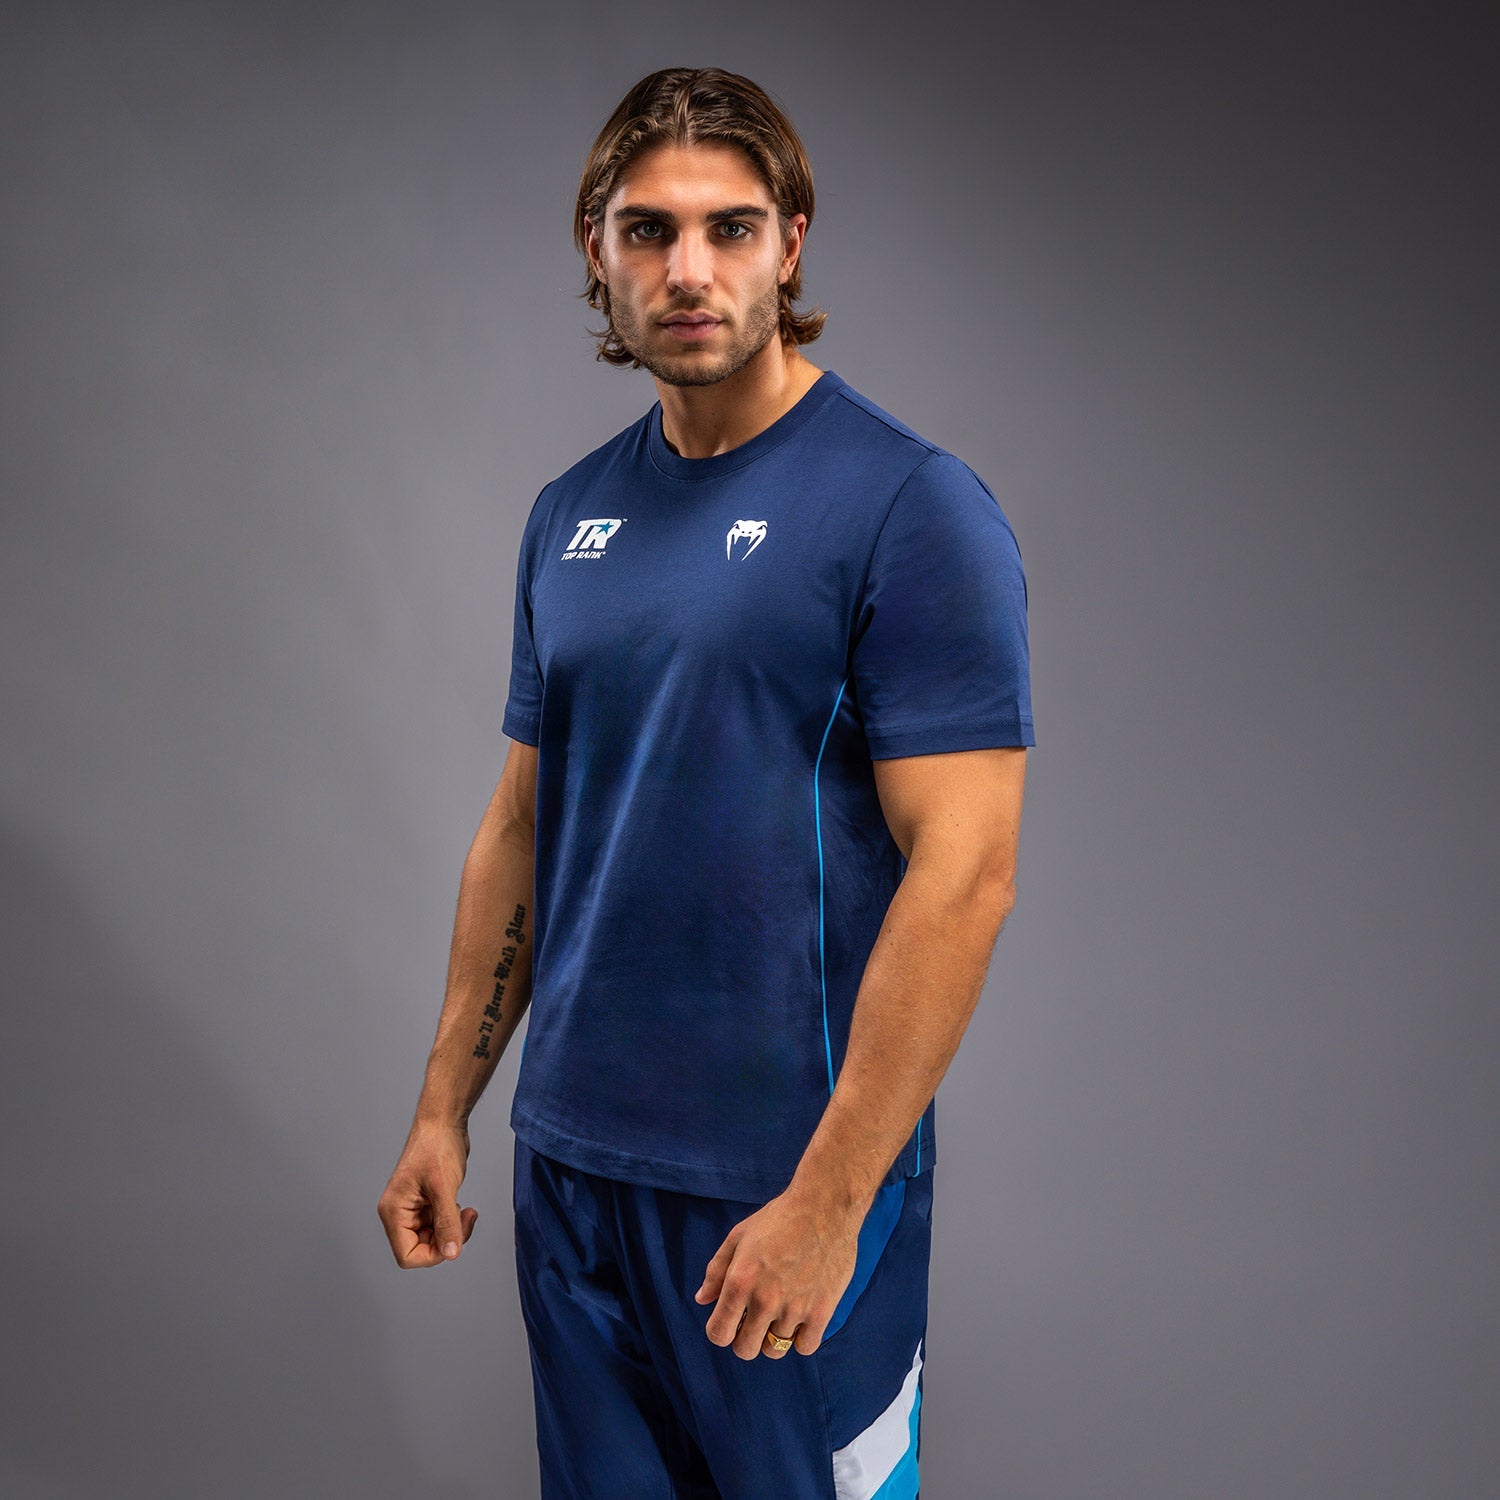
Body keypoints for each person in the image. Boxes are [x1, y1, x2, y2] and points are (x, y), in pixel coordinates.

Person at [378, 65, 1034, 1498]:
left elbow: (968, 873)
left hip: (779, 1183)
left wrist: (831, 1201)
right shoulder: (569, 514)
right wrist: (445, 1107)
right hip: (575, 1171)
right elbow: (524, 824)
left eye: (730, 228)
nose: (689, 270)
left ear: (791, 243)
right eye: (648, 230)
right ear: (596, 251)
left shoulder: (908, 508)